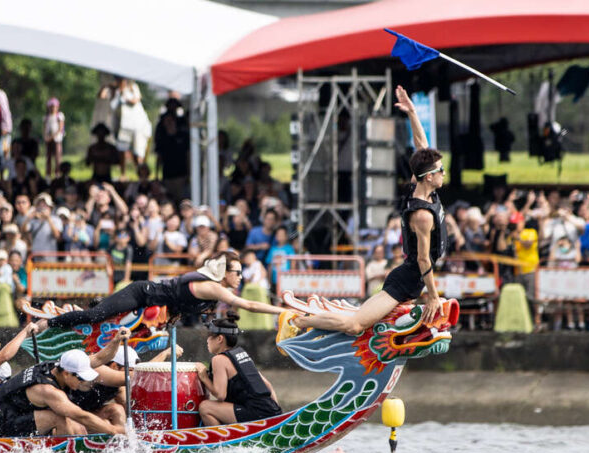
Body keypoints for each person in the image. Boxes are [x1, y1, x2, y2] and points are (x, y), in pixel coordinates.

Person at [277, 85, 446, 339]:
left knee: (360, 323)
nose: (444, 174)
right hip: (407, 280)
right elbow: (424, 260)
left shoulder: (423, 187)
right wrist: (432, 296)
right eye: (441, 170)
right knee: (355, 325)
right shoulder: (422, 214)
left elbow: (421, 145)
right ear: (429, 177)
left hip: (414, 279)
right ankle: (296, 321)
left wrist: (411, 112)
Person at [37, 251, 289, 332]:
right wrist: (285, 310)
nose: (240, 277)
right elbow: (251, 306)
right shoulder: (214, 287)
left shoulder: (215, 291)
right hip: (140, 294)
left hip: (152, 310)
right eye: (236, 272)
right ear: (223, 273)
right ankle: (48, 324)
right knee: (97, 316)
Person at [0, 330, 131, 436]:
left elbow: (100, 358)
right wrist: (114, 431)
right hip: (2, 422)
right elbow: (81, 415)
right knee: (59, 418)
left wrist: (116, 340)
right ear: (66, 374)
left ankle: (118, 445)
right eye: (81, 378)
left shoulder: (62, 364)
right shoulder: (48, 390)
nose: (85, 382)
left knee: (114, 409)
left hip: (25, 414)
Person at [196, 312, 281, 425]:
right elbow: (268, 386)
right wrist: (277, 417)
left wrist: (204, 377)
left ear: (220, 339)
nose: (207, 340)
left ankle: (223, 441)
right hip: (271, 410)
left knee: (205, 407)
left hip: (255, 412)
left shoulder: (219, 359)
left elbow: (221, 395)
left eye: (209, 336)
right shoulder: (241, 354)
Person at [43, 97, 65, 178]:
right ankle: (48, 174)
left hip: (57, 139)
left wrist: (52, 137)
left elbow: (60, 128)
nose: (52, 108)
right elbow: (45, 128)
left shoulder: (59, 116)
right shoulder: (46, 117)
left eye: (54, 106)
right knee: (48, 158)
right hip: (49, 139)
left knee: (57, 158)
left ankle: (58, 174)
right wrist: (46, 137)